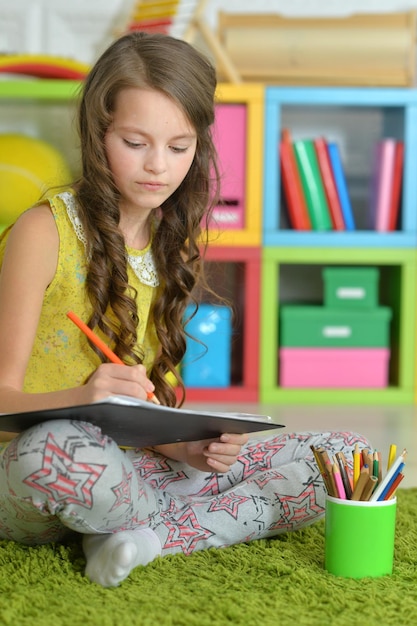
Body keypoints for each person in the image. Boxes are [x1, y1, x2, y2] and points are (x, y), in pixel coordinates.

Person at [0, 32, 371, 587]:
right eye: (135, 142)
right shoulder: (43, 231)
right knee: (59, 450)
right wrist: (82, 400)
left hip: (136, 468)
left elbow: (147, 415)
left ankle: (141, 537)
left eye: (179, 147)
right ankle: (179, 525)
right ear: (97, 132)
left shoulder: (169, 241)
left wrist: (187, 445)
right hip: (45, 468)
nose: (158, 167)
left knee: (349, 460)